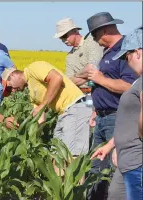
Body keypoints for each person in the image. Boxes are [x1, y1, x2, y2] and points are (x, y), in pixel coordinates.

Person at [77, 12, 138, 200]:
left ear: (104, 30)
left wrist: (99, 78)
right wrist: (96, 109)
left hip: (117, 118)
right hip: (102, 118)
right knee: (95, 169)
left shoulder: (126, 50)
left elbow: (130, 86)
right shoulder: (108, 52)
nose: (94, 40)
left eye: (94, 36)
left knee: (115, 169)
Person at [91, 26, 143, 200]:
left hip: (137, 158)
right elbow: (131, 120)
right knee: (115, 194)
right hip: (128, 156)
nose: (127, 63)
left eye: (126, 57)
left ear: (137, 53)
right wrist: (112, 145)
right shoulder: (138, 81)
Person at [0, 61, 91, 157]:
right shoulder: (31, 93)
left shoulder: (34, 68)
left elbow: (57, 78)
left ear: (13, 75)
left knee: (71, 154)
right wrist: (29, 136)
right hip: (63, 114)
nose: (13, 91)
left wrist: (43, 104)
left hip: (75, 107)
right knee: (57, 154)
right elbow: (40, 117)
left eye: (10, 87)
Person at [54, 18, 103, 94]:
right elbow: (69, 81)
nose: (64, 40)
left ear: (75, 31)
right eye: (61, 38)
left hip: (98, 91)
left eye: (65, 36)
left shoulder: (92, 41)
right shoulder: (69, 56)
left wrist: (77, 76)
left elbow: (93, 68)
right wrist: (86, 75)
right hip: (79, 94)